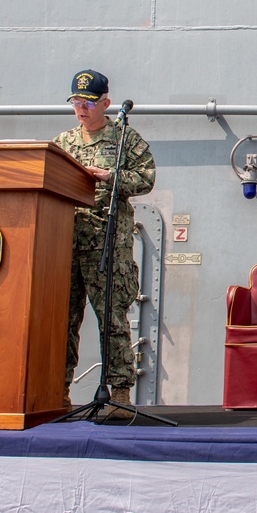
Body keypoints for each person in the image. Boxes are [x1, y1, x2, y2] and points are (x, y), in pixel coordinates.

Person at [53, 69, 156, 412]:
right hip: (66, 243)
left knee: (111, 319)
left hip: (106, 244)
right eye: (76, 102)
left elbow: (146, 178)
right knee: (63, 320)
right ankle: (58, 392)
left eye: (88, 102)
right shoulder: (64, 143)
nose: (81, 109)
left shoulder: (125, 138)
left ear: (106, 104)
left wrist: (110, 176)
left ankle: (120, 393)